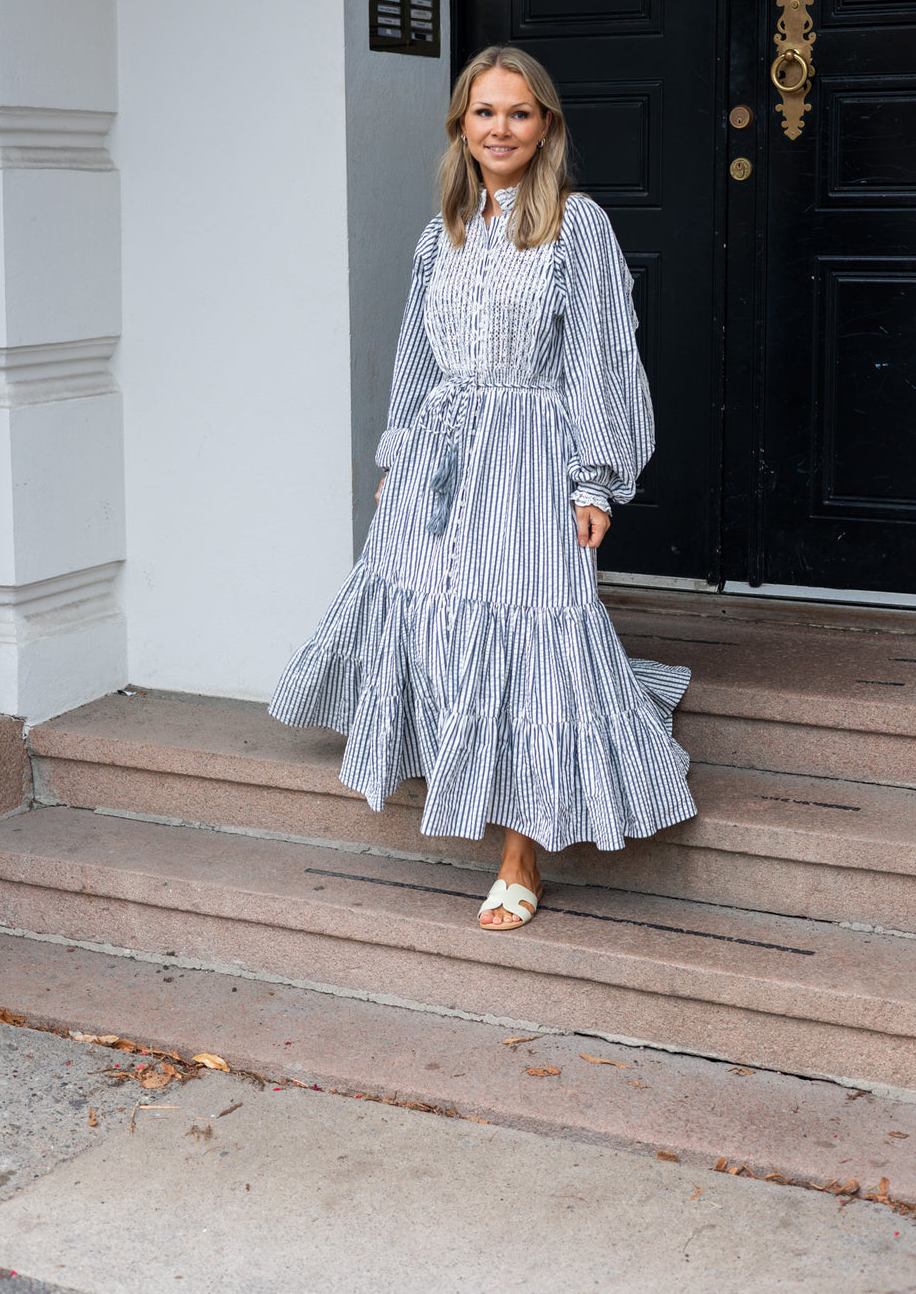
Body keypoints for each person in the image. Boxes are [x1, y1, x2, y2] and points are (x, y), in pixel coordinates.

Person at [269, 46, 695, 929]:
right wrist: (397, 458)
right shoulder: (445, 232)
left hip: (532, 454)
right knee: (432, 616)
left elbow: (602, 362)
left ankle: (519, 853)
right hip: (438, 460)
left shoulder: (578, 226)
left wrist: (594, 483)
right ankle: (458, 762)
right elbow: (418, 358)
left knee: (530, 644)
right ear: (461, 125)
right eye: (485, 112)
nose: (500, 129)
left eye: (519, 113)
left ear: (546, 129)